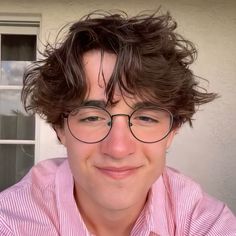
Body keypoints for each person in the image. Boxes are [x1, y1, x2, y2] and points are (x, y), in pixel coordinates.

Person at [0, 10, 236, 236]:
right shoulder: (12, 222)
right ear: (59, 128)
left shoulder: (203, 220)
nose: (118, 149)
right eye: (92, 117)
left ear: (172, 131)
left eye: (146, 118)